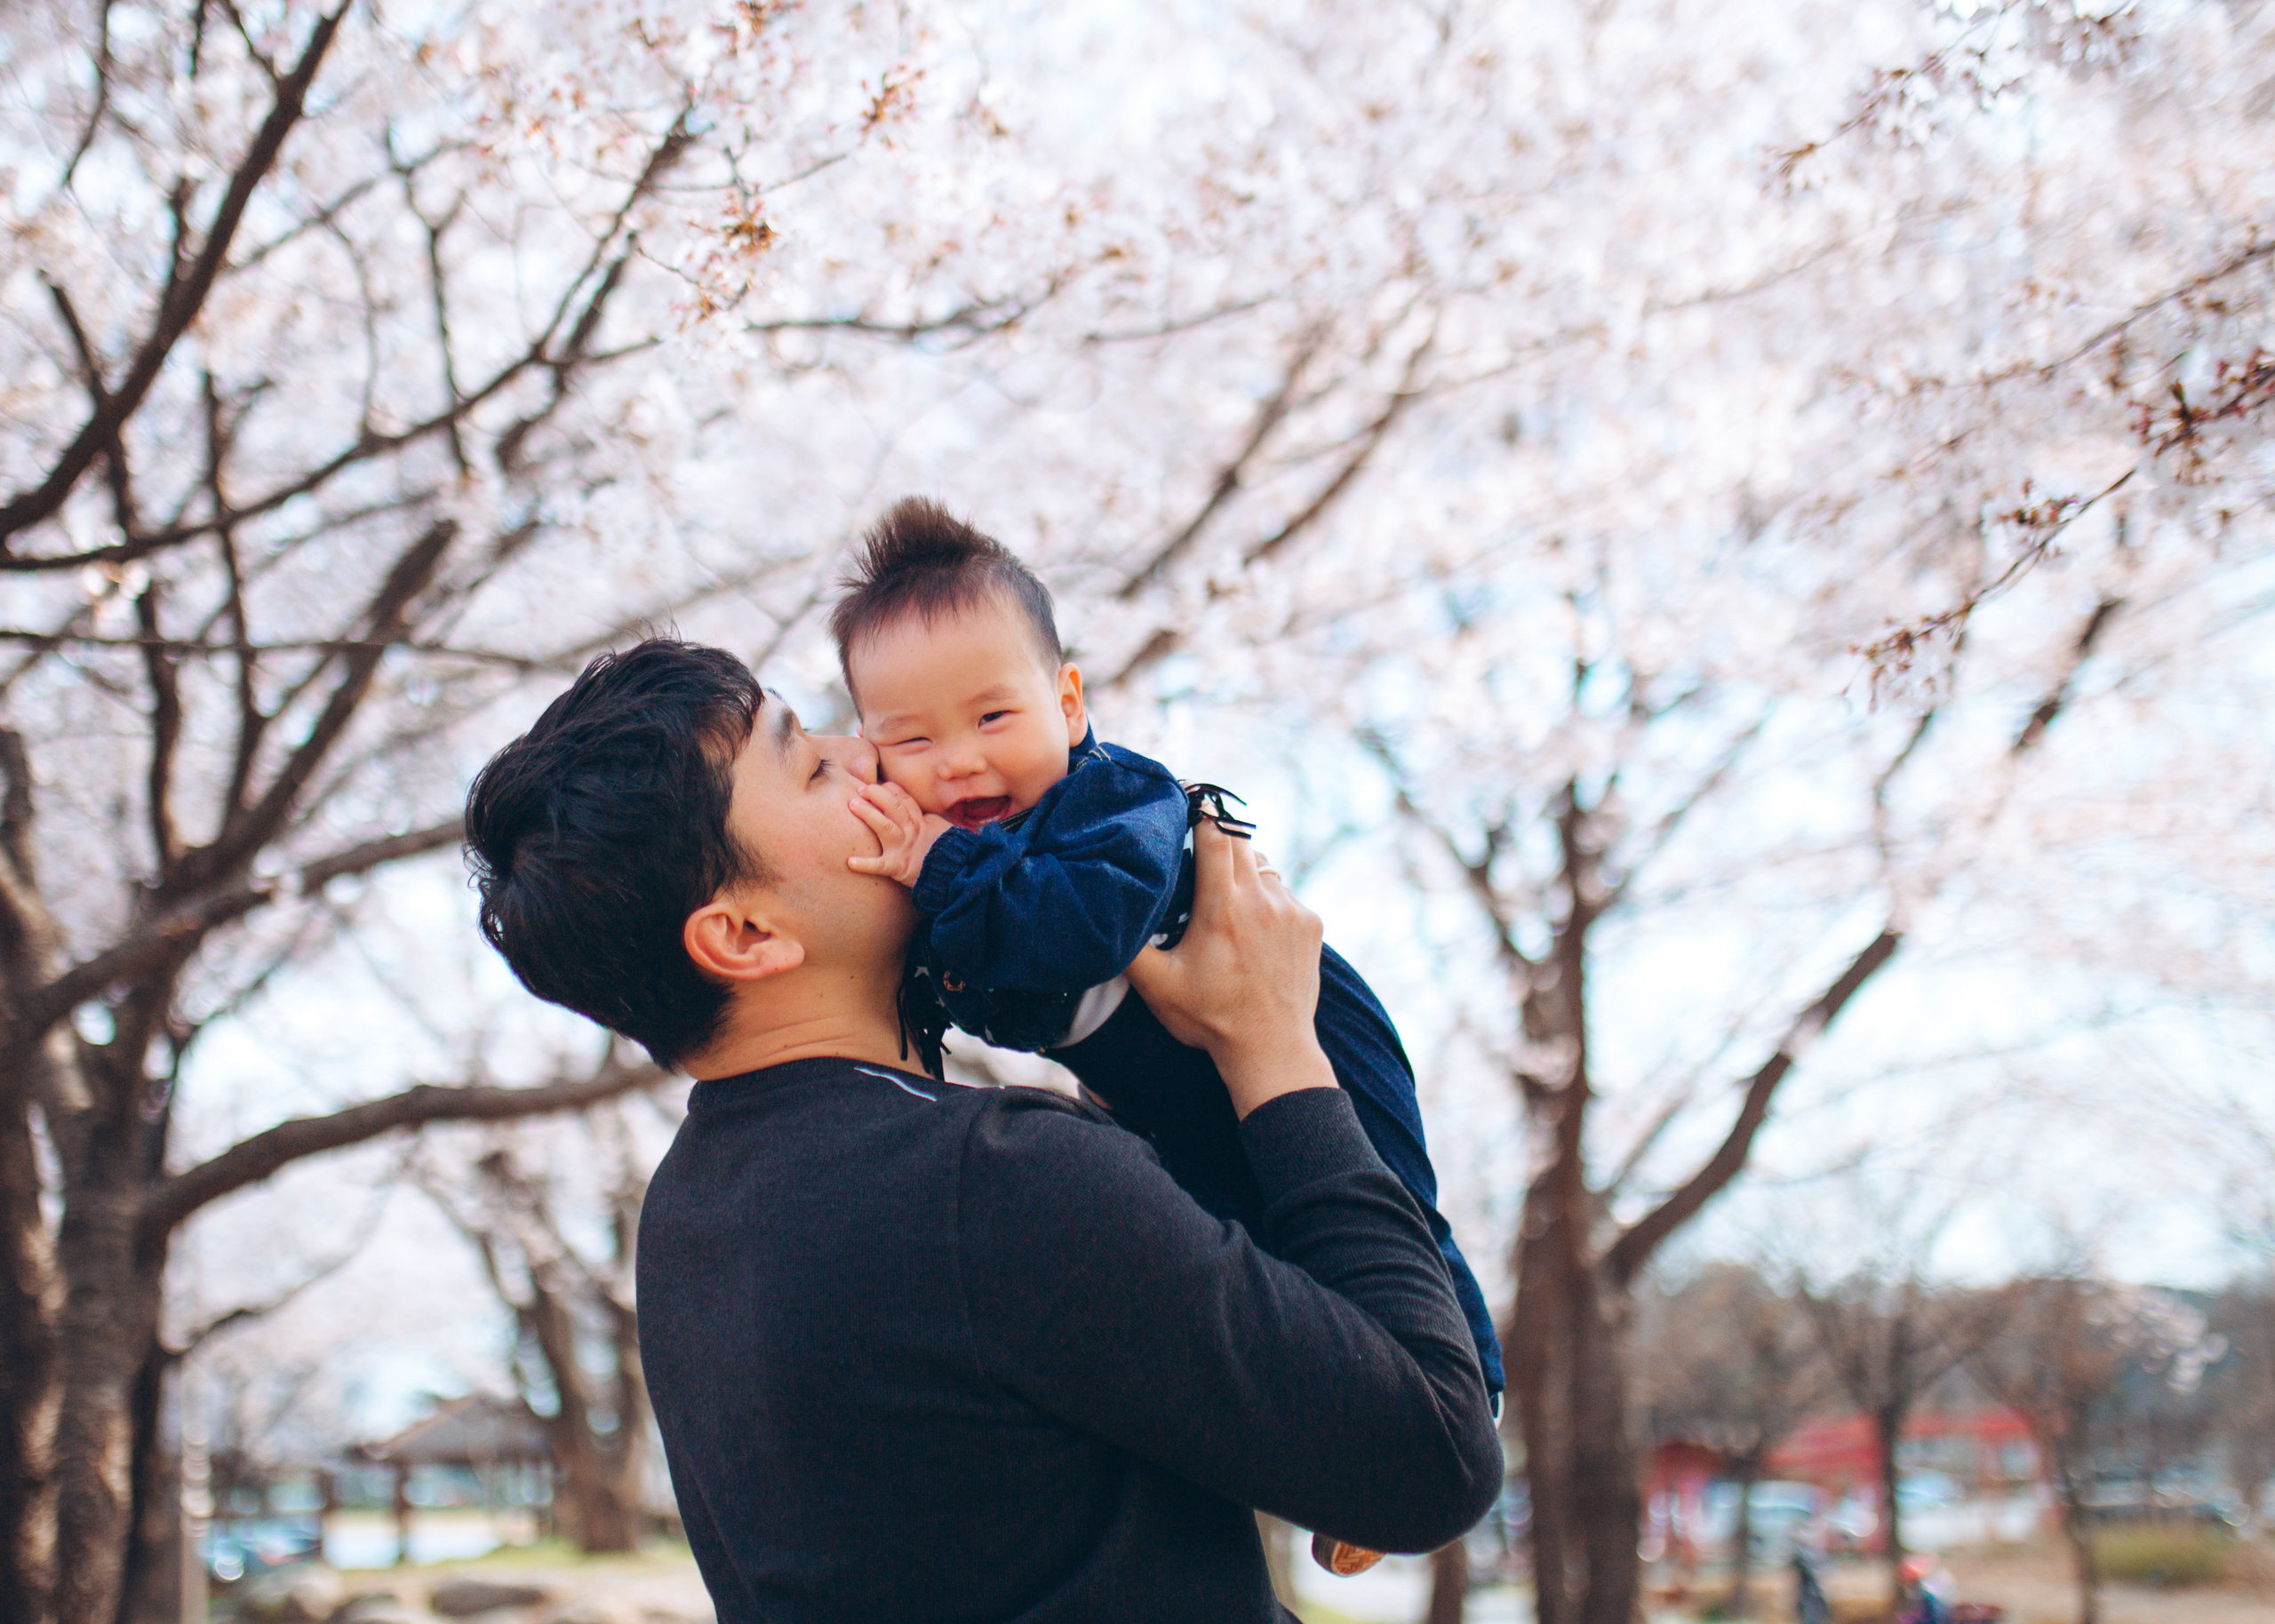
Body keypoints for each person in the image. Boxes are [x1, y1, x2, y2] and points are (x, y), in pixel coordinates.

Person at [461, 638, 1500, 1623]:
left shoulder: (692, 1217)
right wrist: (1273, 1044)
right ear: (744, 935)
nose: (869, 750)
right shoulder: (992, 1181)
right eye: (815, 769)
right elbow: (1433, 1457)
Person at [826, 499, 1505, 1429]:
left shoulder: (1115, 802)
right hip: (1162, 1090)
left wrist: (940, 865)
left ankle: (1467, 1372)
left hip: (1307, 1021)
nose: (957, 761)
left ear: (1066, 706)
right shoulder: (938, 882)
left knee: (1379, 1194)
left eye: (992, 715)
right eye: (912, 740)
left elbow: (1084, 930)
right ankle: (1348, 1418)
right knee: (1242, 1237)